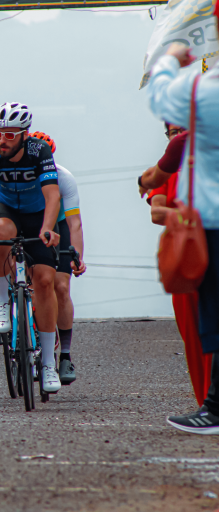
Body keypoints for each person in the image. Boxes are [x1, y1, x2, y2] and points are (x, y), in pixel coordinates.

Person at [144, 34, 219, 433]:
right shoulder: (184, 152)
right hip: (195, 251)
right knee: (202, 333)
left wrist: (170, 58)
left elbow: (161, 93)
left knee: (213, 326)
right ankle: (208, 402)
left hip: (207, 241)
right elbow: (156, 204)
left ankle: (213, 407)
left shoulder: (188, 145)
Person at [0, 102, 62, 394]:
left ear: (25, 134)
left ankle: (48, 363)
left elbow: (52, 195)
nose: (2, 140)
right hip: (6, 209)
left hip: (37, 215)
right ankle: (1, 301)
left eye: (10, 135)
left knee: (45, 281)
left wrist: (48, 228)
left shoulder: (39, 151)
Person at [143, 123, 210, 408]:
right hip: (188, 259)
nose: (180, 135)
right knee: (194, 336)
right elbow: (157, 212)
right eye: (173, 132)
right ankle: (206, 405)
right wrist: (188, 217)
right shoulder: (168, 170)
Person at [30, 131, 87, 384]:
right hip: (30, 226)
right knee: (29, 284)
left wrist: (77, 256)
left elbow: (75, 224)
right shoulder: (16, 174)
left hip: (59, 227)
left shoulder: (63, 178)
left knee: (61, 287)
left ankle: (64, 355)